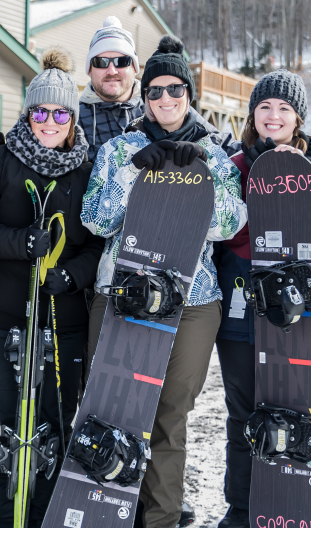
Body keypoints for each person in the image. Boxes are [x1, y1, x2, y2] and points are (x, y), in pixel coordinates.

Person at [81, 34, 247, 528]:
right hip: (122, 293)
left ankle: (161, 518)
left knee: (169, 415)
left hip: (192, 300)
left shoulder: (214, 152)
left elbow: (229, 224)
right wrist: (134, 172)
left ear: (189, 94)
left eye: (175, 89)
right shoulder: (119, 149)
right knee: (114, 406)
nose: (165, 99)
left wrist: (195, 176)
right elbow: (95, 219)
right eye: (154, 91)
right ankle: (111, 511)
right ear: (144, 97)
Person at [0, 50, 105, 528]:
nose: (49, 121)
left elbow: (101, 243)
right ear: (28, 112)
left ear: (72, 117)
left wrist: (71, 275)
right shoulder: (0, 159)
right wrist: (20, 242)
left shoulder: (87, 169)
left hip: (62, 319)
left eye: (60, 112)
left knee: (54, 427)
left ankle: (45, 518)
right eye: (39, 111)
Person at [212, 70, 311, 528]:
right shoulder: (234, 165)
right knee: (243, 415)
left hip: (310, 312)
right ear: (253, 115)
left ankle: (302, 505)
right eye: (265, 108)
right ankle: (241, 508)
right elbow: (226, 234)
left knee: (299, 409)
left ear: (298, 118)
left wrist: (303, 174)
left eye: (284, 109)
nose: (273, 116)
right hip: (242, 309)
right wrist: (263, 184)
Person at [79, 16, 231, 161]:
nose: (111, 71)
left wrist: (207, 154)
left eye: (122, 61)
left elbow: (224, 146)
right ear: (90, 69)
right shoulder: (72, 119)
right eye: (101, 62)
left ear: (134, 67)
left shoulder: (162, 103)